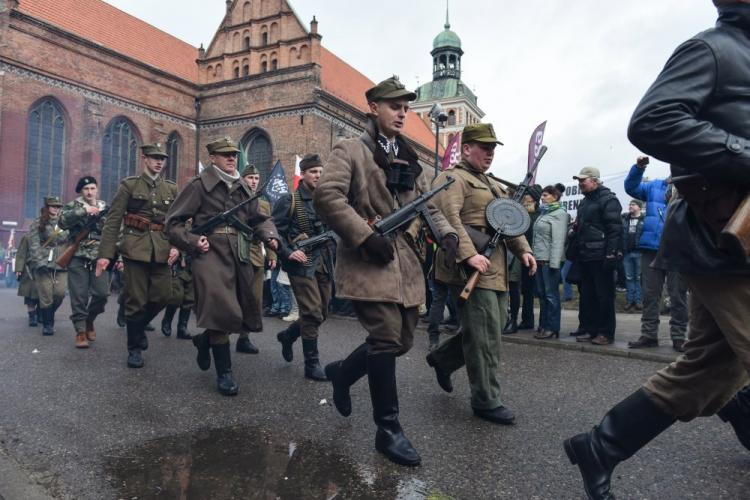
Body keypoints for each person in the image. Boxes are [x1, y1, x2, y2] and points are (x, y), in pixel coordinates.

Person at [565, 3, 750, 498]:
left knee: (709, 370)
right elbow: (653, 120)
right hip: (722, 237)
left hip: (727, 243)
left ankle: (600, 446)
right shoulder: (713, 50)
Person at [314, 76, 457, 466]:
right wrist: (363, 235)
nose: (402, 112)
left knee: (402, 341)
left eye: (406, 107)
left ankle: (343, 375)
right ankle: (388, 428)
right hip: (368, 258)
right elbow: (327, 196)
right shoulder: (351, 150)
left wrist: (445, 235)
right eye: (394, 106)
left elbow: (426, 205)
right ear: (374, 107)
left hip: (404, 260)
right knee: (384, 337)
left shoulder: (409, 159)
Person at [426, 123, 536, 425]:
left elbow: (508, 220)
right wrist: (469, 254)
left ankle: (442, 359)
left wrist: (523, 250)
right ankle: (486, 400)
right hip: (470, 268)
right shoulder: (453, 178)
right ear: (466, 149)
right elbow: (448, 219)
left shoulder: (493, 184)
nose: (489, 154)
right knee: (486, 337)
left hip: (495, 267)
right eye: (484, 148)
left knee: (494, 326)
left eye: (492, 149)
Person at [166, 137, 279, 396]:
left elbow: (260, 218)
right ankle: (225, 373)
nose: (232, 158)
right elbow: (173, 223)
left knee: (239, 311)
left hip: (240, 252)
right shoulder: (199, 186)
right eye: (225, 154)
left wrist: (270, 236)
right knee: (221, 309)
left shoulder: (244, 187)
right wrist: (192, 240)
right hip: (209, 254)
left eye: (234, 154)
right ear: (213, 157)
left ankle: (204, 341)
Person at [96, 143, 179, 368]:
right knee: (136, 301)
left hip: (161, 249)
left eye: (162, 158)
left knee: (163, 296)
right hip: (134, 249)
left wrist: (177, 246)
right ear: (144, 158)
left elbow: (177, 222)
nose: (159, 162)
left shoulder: (171, 189)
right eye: (154, 158)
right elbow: (113, 221)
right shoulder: (129, 185)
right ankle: (134, 349)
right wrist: (105, 254)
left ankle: (139, 327)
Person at [273, 153, 333, 381]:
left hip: (324, 263)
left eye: (320, 171)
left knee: (323, 312)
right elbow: (275, 232)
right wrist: (289, 252)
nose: (318, 175)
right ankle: (312, 364)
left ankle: (288, 336)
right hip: (300, 263)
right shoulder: (290, 201)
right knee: (311, 312)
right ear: (303, 174)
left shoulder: (326, 200)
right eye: (313, 172)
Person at [625, 156, 688, 352]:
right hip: (651, 249)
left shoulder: (692, 187)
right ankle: (649, 335)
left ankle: (679, 337)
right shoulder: (655, 186)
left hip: (679, 249)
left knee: (678, 296)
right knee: (650, 294)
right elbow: (631, 187)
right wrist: (638, 168)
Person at [568, 167, 623, 346]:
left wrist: (611, 254)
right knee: (588, 296)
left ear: (595, 180)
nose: (580, 183)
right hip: (585, 256)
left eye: (583, 180)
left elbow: (615, 229)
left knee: (604, 296)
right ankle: (591, 330)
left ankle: (606, 333)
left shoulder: (609, 199)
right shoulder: (584, 202)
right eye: (579, 180)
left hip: (601, 256)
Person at [59, 176, 109, 348]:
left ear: (97, 189)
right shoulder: (73, 206)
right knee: (79, 296)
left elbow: (115, 232)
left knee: (102, 294)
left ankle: (90, 320)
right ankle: (80, 332)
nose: (89, 192)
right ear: (81, 191)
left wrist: (112, 255)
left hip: (99, 257)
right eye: (86, 189)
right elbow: (62, 221)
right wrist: (84, 211)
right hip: (78, 256)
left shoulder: (105, 207)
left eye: (92, 188)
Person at [236, 164, 277, 354]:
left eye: (256, 178)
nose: (253, 181)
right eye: (250, 178)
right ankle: (211, 338)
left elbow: (268, 228)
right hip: (237, 253)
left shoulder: (264, 203)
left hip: (256, 254)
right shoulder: (236, 198)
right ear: (243, 179)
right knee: (234, 299)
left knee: (255, 299)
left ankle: (244, 338)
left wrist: (272, 253)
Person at [27, 196, 69, 336]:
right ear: (46, 207)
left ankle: (44, 312)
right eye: (53, 206)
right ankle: (48, 325)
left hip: (61, 262)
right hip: (43, 263)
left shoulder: (65, 222)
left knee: (60, 293)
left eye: (58, 206)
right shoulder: (38, 223)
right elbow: (33, 245)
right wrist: (39, 262)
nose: (56, 208)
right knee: (46, 295)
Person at [532, 185, 569, 339]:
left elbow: (558, 241)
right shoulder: (544, 212)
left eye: (546, 195)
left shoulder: (559, 214)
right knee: (542, 294)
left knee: (551, 295)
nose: (542, 197)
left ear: (555, 196)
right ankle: (543, 324)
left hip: (549, 261)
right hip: (540, 259)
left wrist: (554, 263)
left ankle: (552, 327)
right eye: (542, 195)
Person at [503, 188, 541, 334]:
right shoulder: (520, 212)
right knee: (519, 288)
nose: (525, 198)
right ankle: (522, 320)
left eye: (528, 195)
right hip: (518, 254)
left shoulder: (535, 216)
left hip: (525, 255)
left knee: (522, 289)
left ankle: (520, 320)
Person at [160, 249, 194, 341]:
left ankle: (182, 328)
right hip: (179, 263)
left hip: (194, 262)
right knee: (176, 295)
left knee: (189, 298)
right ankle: (167, 319)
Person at [620, 198, 645, 312]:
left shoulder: (644, 219)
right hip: (627, 253)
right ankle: (630, 301)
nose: (630, 206)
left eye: (633, 204)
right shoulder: (625, 219)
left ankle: (639, 301)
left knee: (639, 278)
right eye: (630, 204)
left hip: (639, 253)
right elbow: (620, 235)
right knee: (629, 278)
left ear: (639, 207)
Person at [14, 233, 39, 327]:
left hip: (44, 269)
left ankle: (39, 313)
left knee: (44, 294)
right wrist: (19, 269)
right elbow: (21, 253)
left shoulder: (51, 235)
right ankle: (32, 316)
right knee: (29, 295)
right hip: (29, 270)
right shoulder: (28, 237)